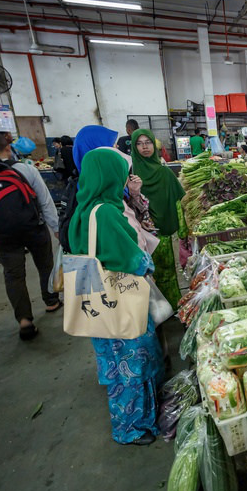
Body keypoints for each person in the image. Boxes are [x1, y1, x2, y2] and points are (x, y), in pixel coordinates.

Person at [69, 148, 164, 446]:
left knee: (115, 366)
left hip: (97, 302)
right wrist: (148, 262)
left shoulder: (82, 209)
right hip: (121, 300)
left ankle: (133, 422)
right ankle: (132, 428)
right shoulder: (108, 213)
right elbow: (133, 260)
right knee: (133, 366)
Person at [0, 131, 61, 340]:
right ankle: (51, 301)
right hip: (34, 228)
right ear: (8, 148)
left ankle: (24, 320)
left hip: (1, 233)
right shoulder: (25, 169)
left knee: (13, 274)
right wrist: (56, 227)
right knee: (45, 264)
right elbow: (45, 201)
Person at [68, 125, 158, 255]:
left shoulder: (108, 187)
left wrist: (134, 195)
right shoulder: (98, 204)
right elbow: (119, 251)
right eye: (112, 145)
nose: (117, 149)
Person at [131, 129, 185, 307]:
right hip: (139, 235)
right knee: (145, 276)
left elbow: (178, 201)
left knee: (168, 272)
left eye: (148, 142)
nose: (145, 147)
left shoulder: (165, 173)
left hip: (164, 232)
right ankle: (156, 311)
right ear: (133, 146)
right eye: (139, 143)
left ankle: (173, 306)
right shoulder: (130, 174)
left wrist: (182, 228)